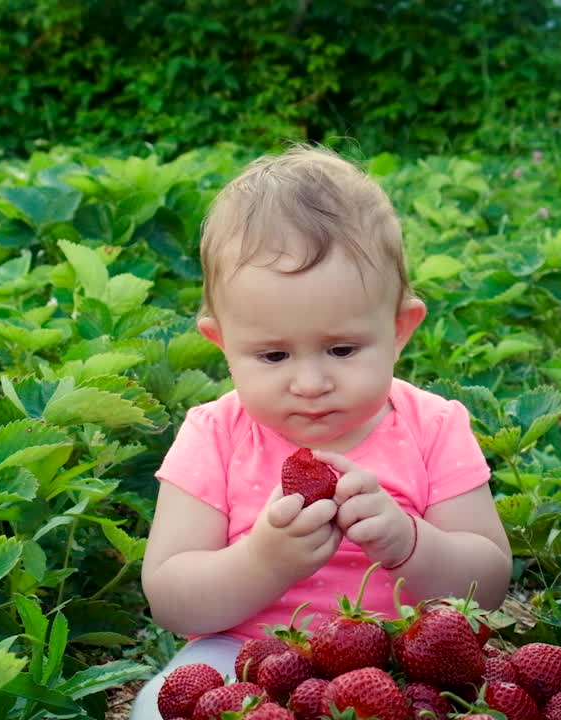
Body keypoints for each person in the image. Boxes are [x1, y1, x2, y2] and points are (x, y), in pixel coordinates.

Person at [131, 145, 511, 718]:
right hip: (245, 658)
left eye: (341, 349)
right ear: (222, 344)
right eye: (274, 355)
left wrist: (411, 544)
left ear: (399, 330)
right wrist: (264, 561)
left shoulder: (434, 426)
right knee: (158, 707)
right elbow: (172, 600)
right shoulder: (213, 433)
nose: (310, 382)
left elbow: (489, 584)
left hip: (403, 660)